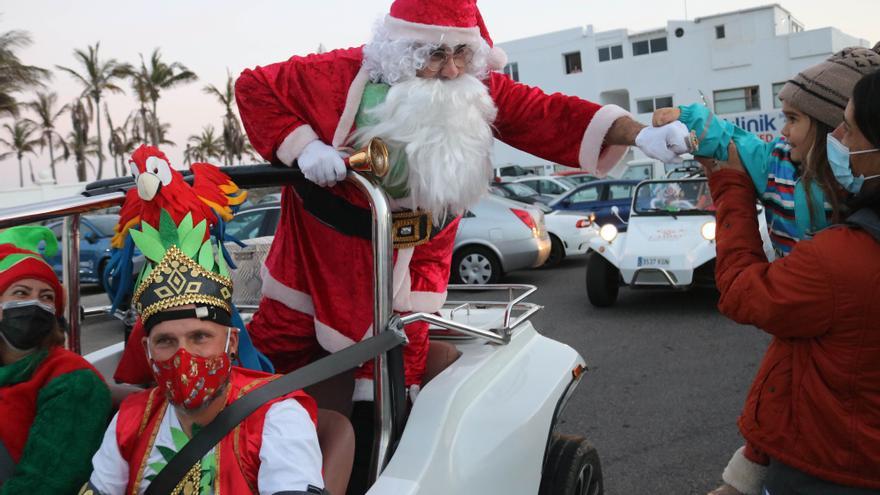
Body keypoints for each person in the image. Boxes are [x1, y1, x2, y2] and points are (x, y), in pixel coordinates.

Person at [235, 0, 689, 407]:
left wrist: (641, 134)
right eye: (434, 55)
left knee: (395, 367)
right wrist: (303, 148)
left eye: (462, 55)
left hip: (418, 256)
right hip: (320, 253)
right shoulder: (336, 74)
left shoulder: (476, 86)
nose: (452, 70)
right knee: (278, 351)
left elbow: (551, 113)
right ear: (401, 52)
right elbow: (254, 87)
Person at [652, 44, 880, 495]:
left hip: (832, 467)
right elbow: (734, 140)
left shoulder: (844, 255)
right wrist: (686, 119)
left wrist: (729, 187)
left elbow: (741, 293)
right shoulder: (798, 175)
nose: (842, 140)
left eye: (848, 130)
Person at [84, 210, 325, 494]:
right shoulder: (132, 419)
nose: (183, 354)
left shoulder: (276, 416)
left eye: (200, 337)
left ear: (231, 344)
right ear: (147, 351)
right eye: (165, 342)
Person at [653, 44, 880, 258]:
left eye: (793, 119)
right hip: (788, 289)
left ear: (827, 125)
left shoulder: (861, 181)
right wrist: (688, 119)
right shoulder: (775, 163)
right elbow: (732, 140)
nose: (784, 130)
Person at [0, 226, 111, 494]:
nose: (35, 304)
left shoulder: (73, 381)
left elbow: (43, 485)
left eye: (47, 297)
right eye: (21, 293)